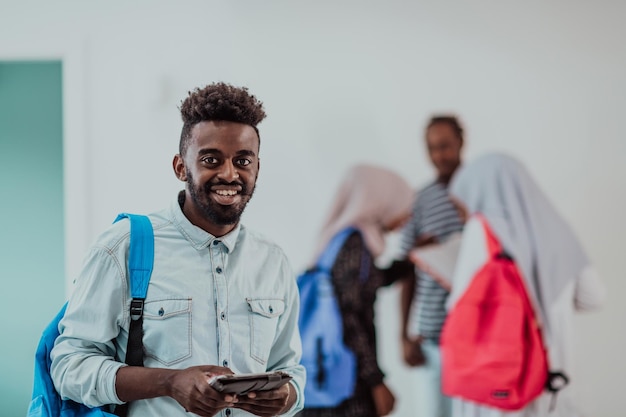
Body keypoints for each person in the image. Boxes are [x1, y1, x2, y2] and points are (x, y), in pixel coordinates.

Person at [50, 82, 305, 417]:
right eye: (211, 159)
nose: (229, 173)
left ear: (257, 167)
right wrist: (169, 382)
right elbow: (70, 366)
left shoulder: (273, 261)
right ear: (181, 167)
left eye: (243, 160)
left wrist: (288, 396)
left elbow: (291, 368)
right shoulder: (123, 247)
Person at [446, 152, 606, 417]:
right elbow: (594, 296)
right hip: (553, 381)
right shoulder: (555, 227)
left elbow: (459, 307)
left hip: (501, 389)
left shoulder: (481, 230)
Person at [298, 164, 417, 417]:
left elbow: (366, 284)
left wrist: (408, 264)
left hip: (328, 373)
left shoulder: (340, 241)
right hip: (347, 384)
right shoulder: (354, 244)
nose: (407, 217)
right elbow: (347, 316)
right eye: (403, 205)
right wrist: (376, 381)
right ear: (382, 200)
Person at [398, 115, 465, 417]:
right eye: (432, 148)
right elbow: (406, 271)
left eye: (446, 146)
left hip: (475, 338)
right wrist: (404, 335)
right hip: (431, 338)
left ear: (461, 142)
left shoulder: (481, 191)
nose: (440, 155)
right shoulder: (420, 200)